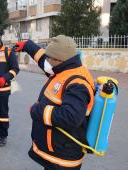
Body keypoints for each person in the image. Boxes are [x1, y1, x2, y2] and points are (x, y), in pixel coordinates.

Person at [14, 35, 95, 169]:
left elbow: (71, 117)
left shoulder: (77, 84)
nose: (47, 60)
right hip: (56, 152)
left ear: (60, 60)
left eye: (50, 58)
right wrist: (28, 45)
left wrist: (37, 110)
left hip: (63, 159)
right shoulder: (64, 69)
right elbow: (43, 59)